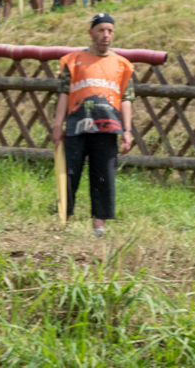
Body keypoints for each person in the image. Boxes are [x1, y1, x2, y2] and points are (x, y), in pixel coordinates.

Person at [52, 13, 136, 237]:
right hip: (76, 126)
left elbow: (126, 99)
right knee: (69, 173)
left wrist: (127, 130)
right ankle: (63, 221)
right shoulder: (74, 60)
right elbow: (64, 93)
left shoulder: (123, 65)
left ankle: (99, 226)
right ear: (91, 33)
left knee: (103, 176)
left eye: (109, 30)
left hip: (108, 128)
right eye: (101, 30)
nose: (105, 35)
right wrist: (58, 125)